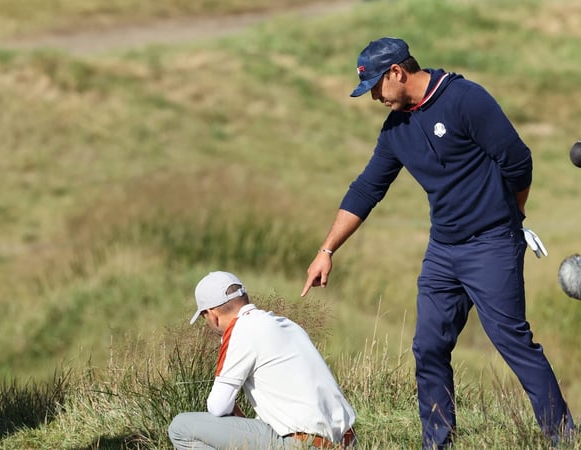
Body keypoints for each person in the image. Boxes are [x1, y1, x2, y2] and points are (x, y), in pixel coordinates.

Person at [300, 37, 575, 449]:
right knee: (428, 346)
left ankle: (563, 437)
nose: (374, 96)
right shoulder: (396, 130)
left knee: (512, 341)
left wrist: (510, 220)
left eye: (376, 85)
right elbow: (366, 189)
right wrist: (326, 250)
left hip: (491, 245)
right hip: (443, 252)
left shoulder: (465, 100)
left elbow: (518, 161)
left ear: (397, 72)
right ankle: (438, 442)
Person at [168, 271, 357, 449]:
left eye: (204, 317)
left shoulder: (240, 330)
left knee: (180, 427)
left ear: (212, 314)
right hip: (346, 441)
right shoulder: (286, 324)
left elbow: (217, 406)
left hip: (302, 444)